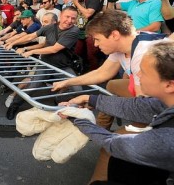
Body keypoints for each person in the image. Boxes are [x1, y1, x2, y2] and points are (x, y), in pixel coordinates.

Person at [60, 40, 174, 185]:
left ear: (169, 85)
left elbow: (115, 144)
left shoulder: (166, 139)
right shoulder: (166, 102)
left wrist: (79, 118)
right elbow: (139, 107)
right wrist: (90, 99)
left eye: (143, 72)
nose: (137, 74)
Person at [5, 6, 80, 120]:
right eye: (67, 17)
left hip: (63, 67)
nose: (69, 20)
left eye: (73, 18)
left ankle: (58, 100)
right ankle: (13, 106)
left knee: (77, 89)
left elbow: (54, 49)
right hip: (46, 64)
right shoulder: (49, 27)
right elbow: (30, 36)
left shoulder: (74, 31)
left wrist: (30, 51)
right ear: (60, 16)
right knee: (33, 86)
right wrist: (11, 43)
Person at [72, 0, 103, 71]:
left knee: (92, 54)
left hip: (93, 30)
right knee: (77, 52)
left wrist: (76, 3)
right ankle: (83, 70)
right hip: (80, 30)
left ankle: (96, 74)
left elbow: (88, 14)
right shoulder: (78, 0)